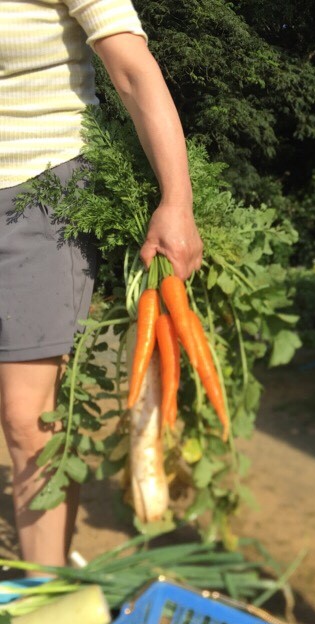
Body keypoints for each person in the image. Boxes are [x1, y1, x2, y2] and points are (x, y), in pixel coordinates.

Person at [0, 0, 203, 569]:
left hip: (37, 190)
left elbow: (133, 71)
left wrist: (177, 201)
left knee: (26, 421)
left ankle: (47, 588)